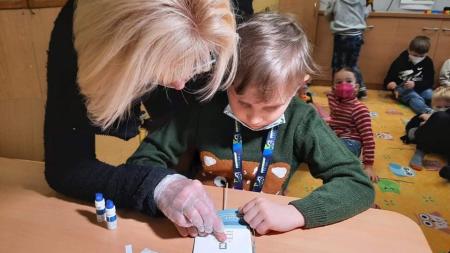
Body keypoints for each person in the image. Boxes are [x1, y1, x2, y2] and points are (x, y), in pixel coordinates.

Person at [128, 13, 375, 235]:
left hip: (267, 230)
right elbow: (140, 163)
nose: (255, 119)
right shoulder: (203, 107)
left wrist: (296, 213)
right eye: (243, 102)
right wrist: (168, 190)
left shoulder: (302, 121)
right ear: (227, 76)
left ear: (300, 83)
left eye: (271, 107)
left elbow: (357, 184)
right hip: (199, 224)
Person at [44, 0, 240, 241]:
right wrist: (157, 186)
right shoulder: (79, 34)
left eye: (201, 61)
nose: (180, 84)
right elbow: (65, 168)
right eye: (152, 69)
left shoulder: (225, 18)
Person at [326, 67, 377, 182]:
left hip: (350, 141)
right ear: (334, 87)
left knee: (335, 161)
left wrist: (368, 165)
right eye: (339, 82)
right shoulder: (334, 100)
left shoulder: (359, 109)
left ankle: (351, 166)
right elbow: (331, 96)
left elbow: (368, 138)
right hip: (335, 136)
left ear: (357, 87)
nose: (344, 85)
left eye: (349, 81)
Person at [325, 0, 369, 99]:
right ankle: (359, 89)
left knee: (338, 64)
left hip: (342, 35)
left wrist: (332, 21)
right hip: (357, 36)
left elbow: (328, 14)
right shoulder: (361, 1)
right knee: (352, 65)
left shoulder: (336, 1)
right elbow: (365, 14)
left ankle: (336, 90)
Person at [401, 86, 450, 173]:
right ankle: (420, 152)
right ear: (432, 105)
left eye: (446, 107)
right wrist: (424, 120)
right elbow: (410, 129)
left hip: (442, 144)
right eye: (438, 107)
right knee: (440, 116)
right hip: (423, 139)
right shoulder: (429, 113)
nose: (442, 109)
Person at [384, 36, 435, 114]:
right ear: (409, 50)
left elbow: (430, 82)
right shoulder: (400, 61)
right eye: (415, 55)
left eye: (421, 56)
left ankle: (441, 110)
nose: (418, 58)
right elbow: (388, 80)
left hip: (421, 89)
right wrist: (390, 84)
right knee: (413, 97)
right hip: (404, 90)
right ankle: (428, 113)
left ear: (426, 54)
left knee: (430, 95)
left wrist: (415, 84)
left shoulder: (428, 62)